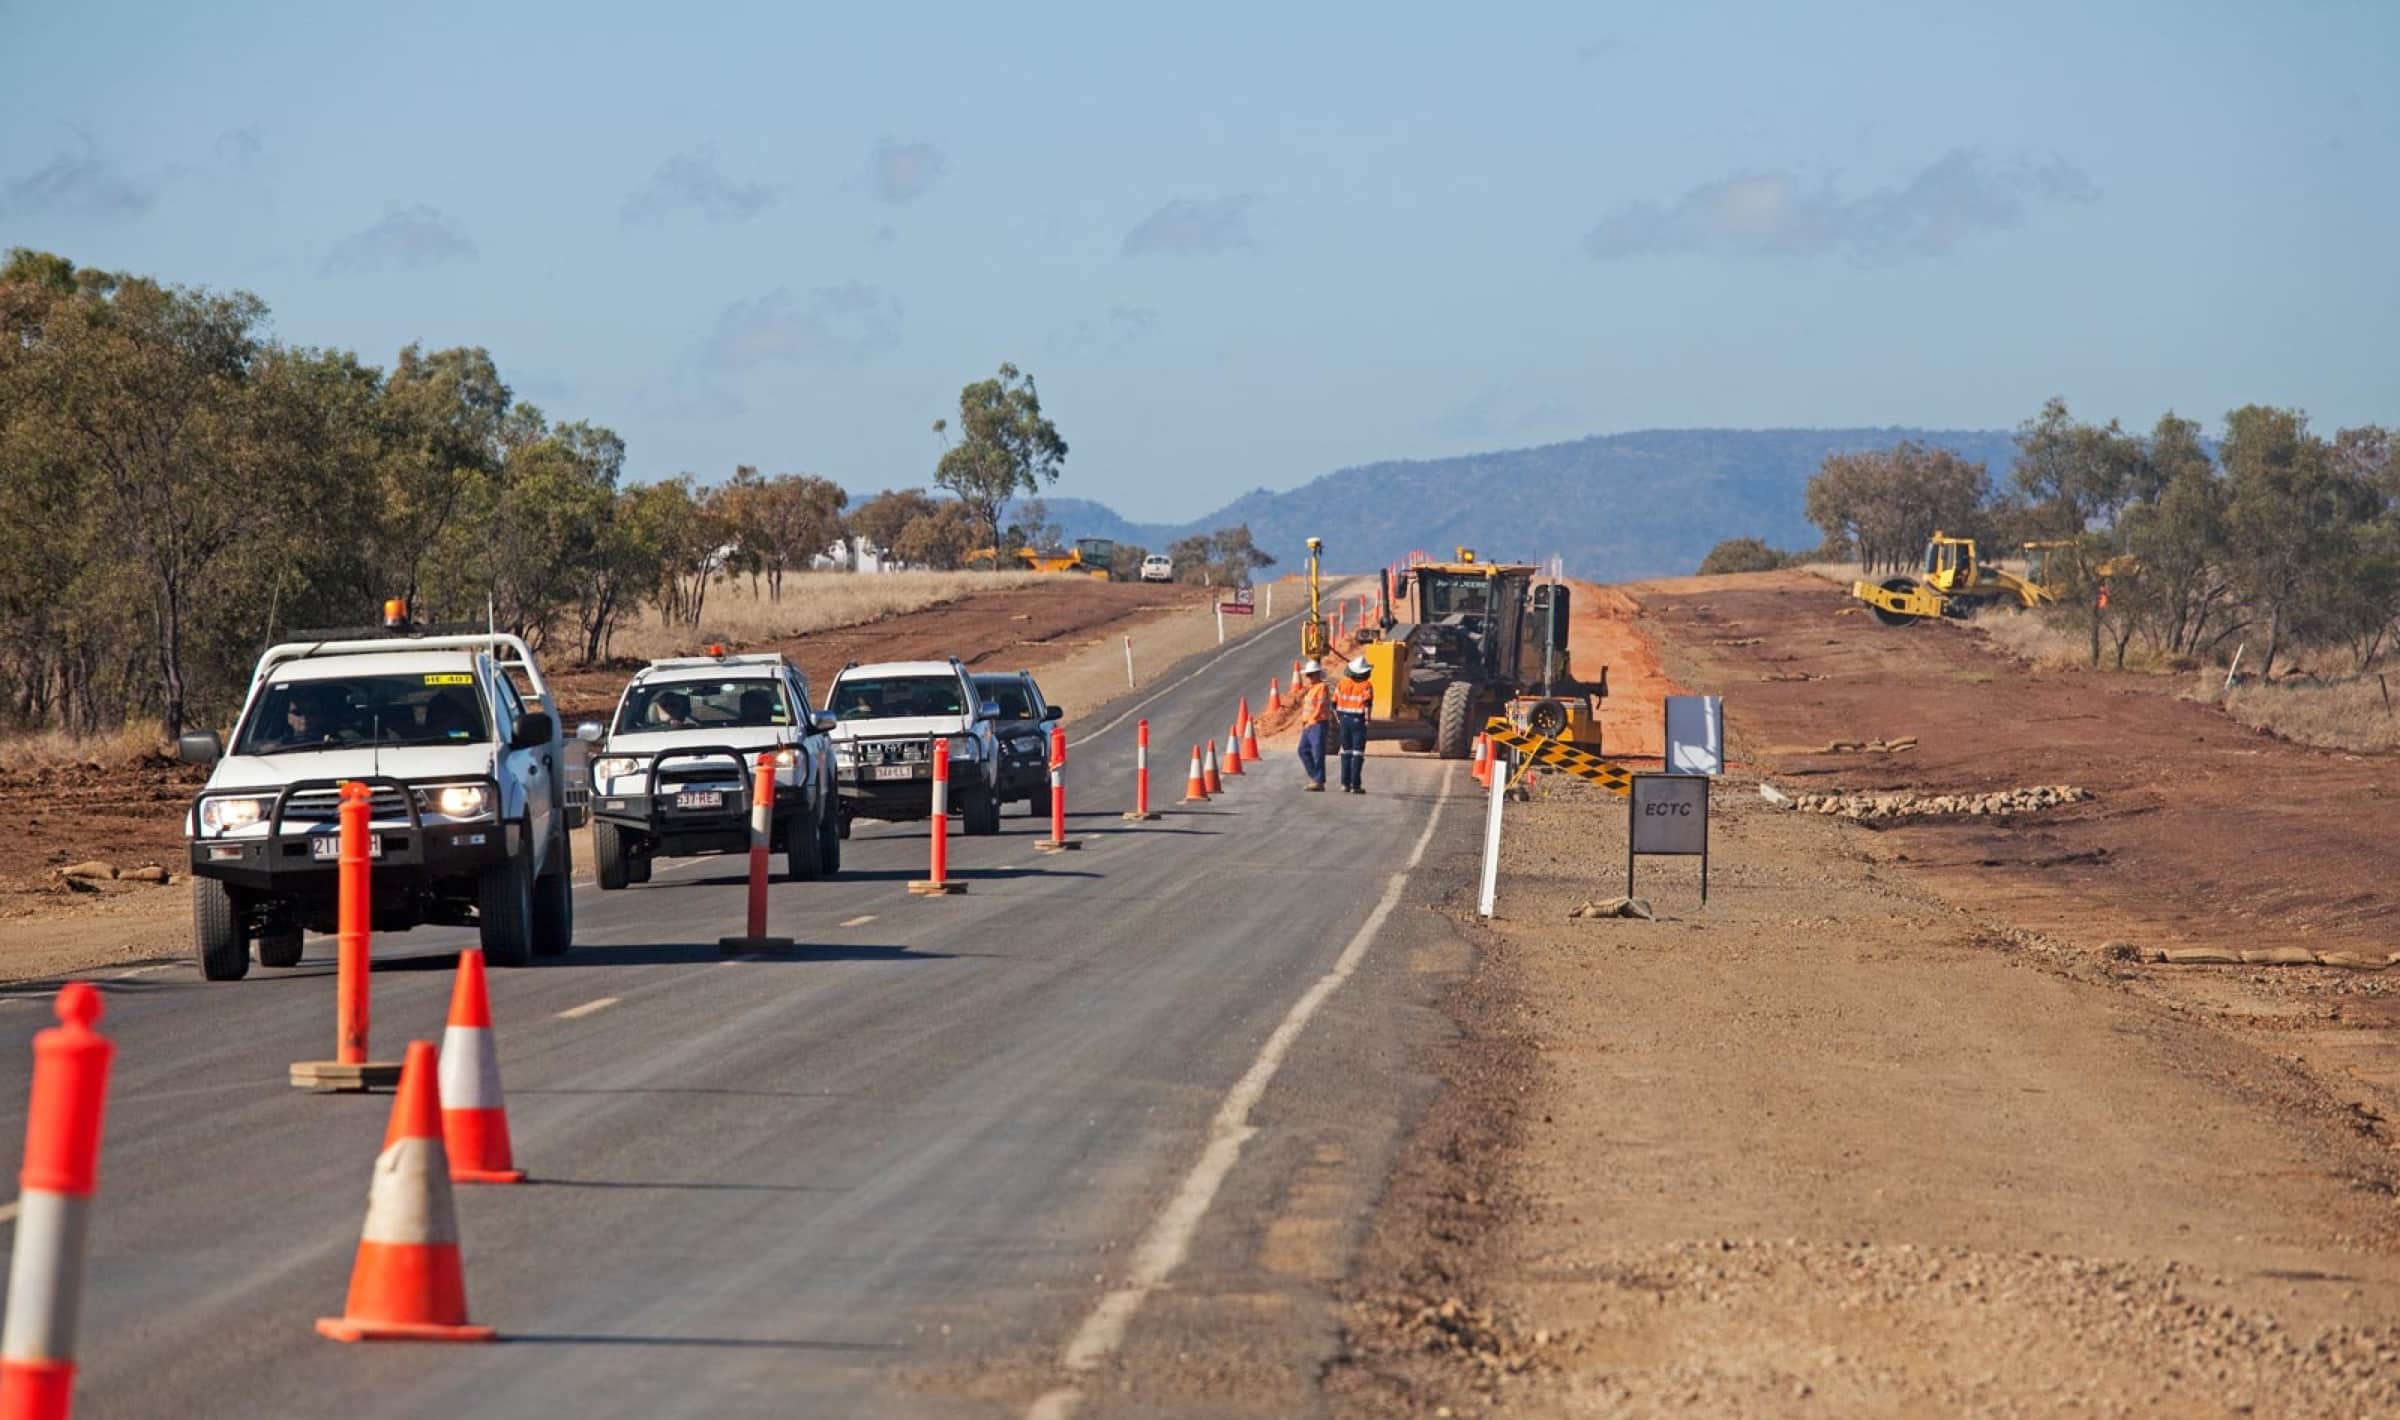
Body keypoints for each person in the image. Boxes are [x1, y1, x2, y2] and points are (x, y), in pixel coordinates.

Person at [1332, 655, 1375, 793]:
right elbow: (1367, 704)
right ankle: (1355, 785)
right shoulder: (1366, 685)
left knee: (1346, 752)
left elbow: (1333, 704)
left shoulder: (1342, 683)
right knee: (1357, 753)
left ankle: (1345, 784)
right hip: (1358, 721)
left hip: (1344, 720)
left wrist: (1338, 718)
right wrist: (1367, 719)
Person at [1295, 659, 1330, 792]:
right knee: (1303, 750)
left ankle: (1318, 780)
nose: (1308, 678)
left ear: (1317, 674)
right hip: (1309, 724)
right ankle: (1316, 777)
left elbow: (1320, 706)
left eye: (1311, 675)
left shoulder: (1322, 687)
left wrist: (1312, 720)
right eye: (1307, 675)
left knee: (1318, 753)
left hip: (1317, 724)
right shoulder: (1311, 689)